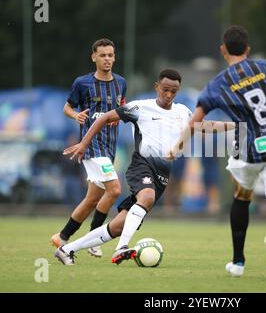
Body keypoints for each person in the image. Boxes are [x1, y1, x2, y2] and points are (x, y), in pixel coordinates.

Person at [54, 69, 234, 265]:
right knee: (146, 196)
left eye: (174, 91)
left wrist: (236, 125)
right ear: (157, 87)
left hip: (162, 176)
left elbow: (203, 126)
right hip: (142, 166)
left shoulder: (183, 111)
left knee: (116, 227)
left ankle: (66, 250)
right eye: (165, 89)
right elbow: (104, 118)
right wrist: (83, 144)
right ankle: (121, 248)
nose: (168, 95)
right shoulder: (140, 107)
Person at [170, 25, 266, 277]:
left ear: (223, 50)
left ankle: (238, 262)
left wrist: (177, 147)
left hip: (247, 150)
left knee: (242, 197)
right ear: (248, 49)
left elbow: (195, 122)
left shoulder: (217, 84)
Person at [50, 38, 126, 258]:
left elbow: (121, 108)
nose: (107, 59)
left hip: (109, 147)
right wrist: (76, 115)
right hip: (91, 147)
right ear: (94, 57)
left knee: (93, 198)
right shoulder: (82, 83)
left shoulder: (121, 82)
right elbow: (67, 107)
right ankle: (94, 237)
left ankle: (62, 237)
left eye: (110, 55)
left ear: (115, 57)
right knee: (115, 190)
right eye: (102, 55)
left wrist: (120, 118)